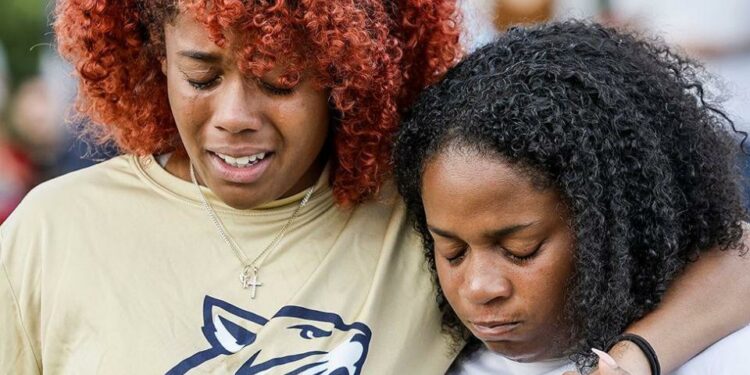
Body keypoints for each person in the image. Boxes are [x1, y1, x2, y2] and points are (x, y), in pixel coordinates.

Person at [0, 1, 747, 372]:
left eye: (280, 81)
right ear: (148, 53)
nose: (233, 117)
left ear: (348, 74)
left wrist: (637, 359)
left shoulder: (421, 216)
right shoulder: (52, 230)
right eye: (200, 74)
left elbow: (735, 256)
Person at [393, 21, 750, 375]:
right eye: (452, 252)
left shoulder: (725, 358)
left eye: (521, 249)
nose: (479, 288)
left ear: (618, 225)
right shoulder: (428, 355)